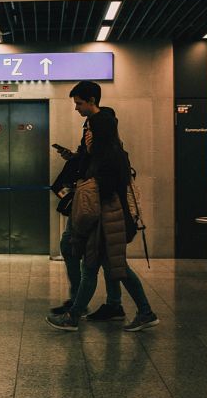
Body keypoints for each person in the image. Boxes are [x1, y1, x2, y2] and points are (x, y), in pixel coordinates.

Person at [47, 110, 160, 332]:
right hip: (105, 219)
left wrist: (88, 179)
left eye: (90, 129)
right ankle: (144, 312)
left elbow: (105, 189)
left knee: (99, 268)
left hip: (108, 220)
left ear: (101, 131)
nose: (87, 133)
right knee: (109, 267)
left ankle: (74, 316)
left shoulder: (111, 157)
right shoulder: (104, 154)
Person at [51, 81, 124, 321]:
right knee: (97, 253)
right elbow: (91, 157)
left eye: (79, 103)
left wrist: (89, 154)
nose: (76, 108)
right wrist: (75, 156)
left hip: (96, 196)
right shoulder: (92, 125)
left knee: (85, 251)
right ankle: (104, 303)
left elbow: (105, 161)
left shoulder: (102, 125)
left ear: (92, 100)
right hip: (91, 193)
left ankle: (81, 305)